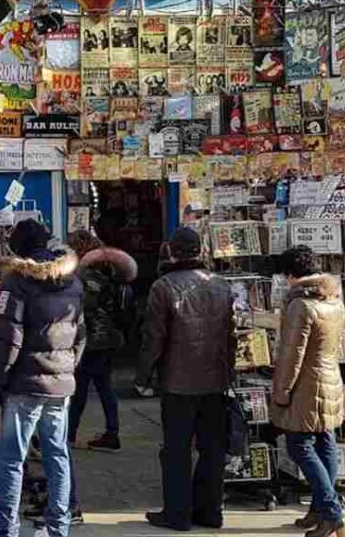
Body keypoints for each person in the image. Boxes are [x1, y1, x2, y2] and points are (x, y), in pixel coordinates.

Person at [0, 219, 84, 537]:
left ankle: (6, 531)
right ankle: (58, 529)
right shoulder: (72, 282)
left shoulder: (18, 282)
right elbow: (80, 336)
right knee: (58, 456)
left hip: (23, 386)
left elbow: (7, 342)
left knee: (11, 459)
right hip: (60, 387)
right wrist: (66, 370)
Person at [136, 226, 235, 531]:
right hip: (216, 379)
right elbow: (232, 336)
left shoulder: (163, 287)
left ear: (173, 251)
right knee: (212, 448)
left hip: (178, 381)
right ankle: (209, 511)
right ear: (200, 250)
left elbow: (154, 337)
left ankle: (177, 513)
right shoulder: (221, 285)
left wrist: (143, 376)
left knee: (177, 449)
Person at [271, 246, 345, 537]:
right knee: (325, 441)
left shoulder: (301, 305)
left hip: (305, 385)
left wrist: (282, 393)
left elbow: (292, 355)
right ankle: (320, 508)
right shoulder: (333, 300)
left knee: (300, 445)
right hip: (329, 379)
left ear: (292, 275)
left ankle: (332, 512)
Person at [67, 231, 137, 453]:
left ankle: (69, 434)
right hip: (109, 337)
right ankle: (111, 433)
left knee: (80, 389)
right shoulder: (111, 270)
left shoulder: (88, 274)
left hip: (93, 339)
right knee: (104, 386)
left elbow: (85, 306)